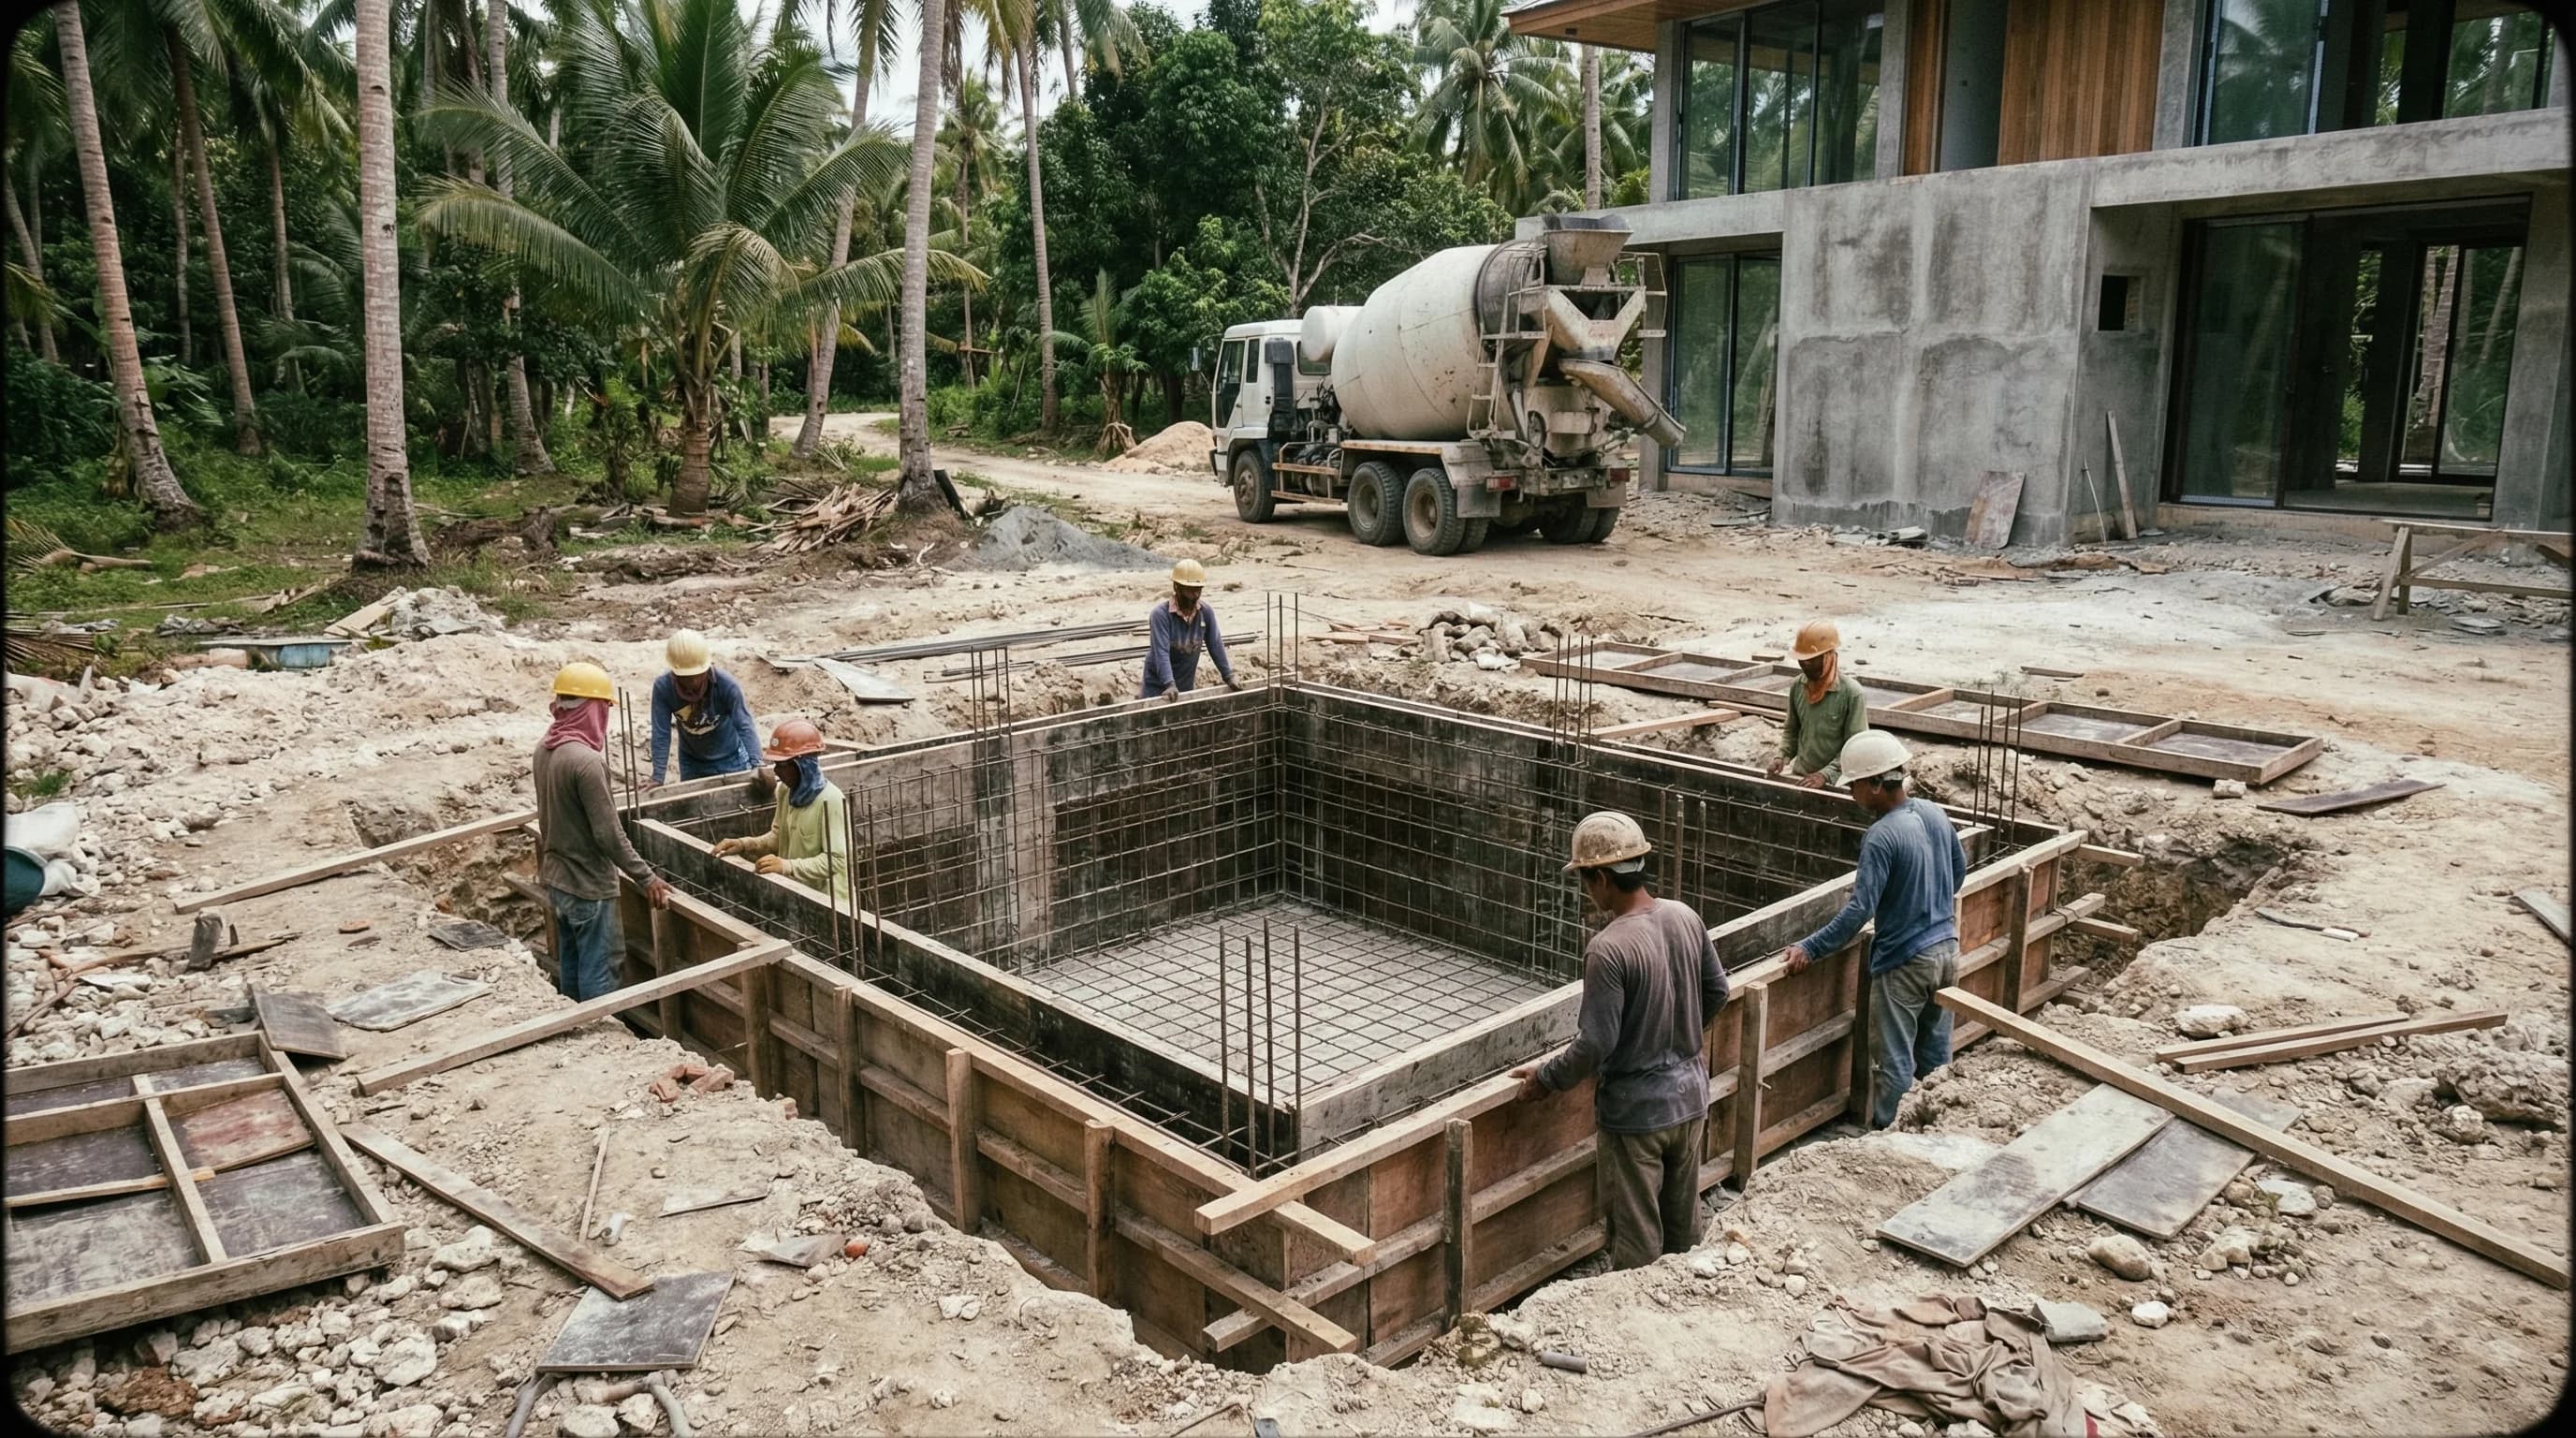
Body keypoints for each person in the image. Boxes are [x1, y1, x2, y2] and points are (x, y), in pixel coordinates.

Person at [1510, 811, 1729, 1270]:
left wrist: (1547, 1077)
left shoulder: (1608, 948)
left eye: (1587, 882)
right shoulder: (1685, 917)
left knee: (1636, 1234)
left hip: (1636, 1114)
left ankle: (1634, 1324)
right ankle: (1686, 1308)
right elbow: (1718, 992)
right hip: (1690, 1098)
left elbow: (1595, 1044)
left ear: (1603, 878)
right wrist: (1680, 1033)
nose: (1588, 894)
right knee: (1683, 1221)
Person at [1779, 731, 1967, 1130]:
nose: (1852, 795)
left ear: (1878, 784)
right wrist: (1924, 904)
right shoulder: (1934, 813)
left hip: (1905, 963)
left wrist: (1810, 947)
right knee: (1935, 1055)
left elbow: (1859, 910)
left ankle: (1889, 1140)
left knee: (1892, 1061)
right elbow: (1958, 874)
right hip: (1948, 950)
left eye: (1856, 786)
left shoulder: (1881, 837)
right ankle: (1936, 1131)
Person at [534, 662, 671, 1001]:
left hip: (558, 879)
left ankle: (574, 1032)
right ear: (593, 710)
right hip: (588, 886)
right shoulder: (587, 762)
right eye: (604, 709)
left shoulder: (545, 748)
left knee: (572, 964)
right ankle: (599, 1034)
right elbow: (609, 835)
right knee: (600, 971)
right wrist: (647, 878)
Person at [710, 718, 854, 911]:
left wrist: (787, 866)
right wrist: (745, 844)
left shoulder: (831, 800)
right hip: (797, 895)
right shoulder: (786, 791)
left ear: (803, 765)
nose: (776, 771)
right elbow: (778, 837)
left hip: (830, 905)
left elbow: (835, 860)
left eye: (782, 765)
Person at [649, 629, 764, 789]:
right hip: (692, 762)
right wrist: (658, 776)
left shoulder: (727, 686)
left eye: (697, 675)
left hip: (731, 757)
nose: (693, 682)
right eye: (686, 678)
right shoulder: (663, 688)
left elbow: (744, 724)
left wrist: (758, 764)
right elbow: (661, 733)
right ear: (675, 673)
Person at [1767, 620, 1869, 789]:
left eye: (1810, 661)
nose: (1805, 667)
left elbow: (1856, 747)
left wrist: (1826, 774)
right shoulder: (1798, 686)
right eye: (1802, 661)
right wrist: (1781, 756)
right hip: (1802, 777)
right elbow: (1792, 729)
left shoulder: (1851, 693)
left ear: (1828, 656)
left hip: (1838, 783)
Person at [1140, 559, 1242, 701]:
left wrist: (1229, 676)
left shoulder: (1205, 613)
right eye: (1190, 590)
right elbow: (1161, 652)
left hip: (1184, 687)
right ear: (1177, 587)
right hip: (1157, 688)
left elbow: (1216, 645)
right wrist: (1169, 683)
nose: (1194, 595)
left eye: (1198, 590)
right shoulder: (1160, 615)